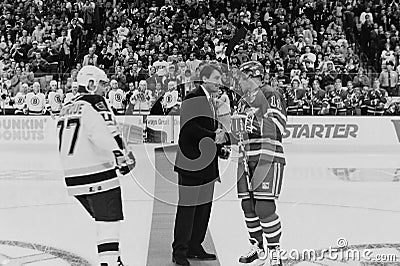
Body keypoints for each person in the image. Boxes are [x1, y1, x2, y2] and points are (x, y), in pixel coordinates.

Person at [57, 65, 135, 266]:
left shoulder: (67, 106)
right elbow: (106, 131)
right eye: (101, 83)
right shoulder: (95, 101)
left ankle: (113, 260)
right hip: (97, 173)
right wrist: (123, 155)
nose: (104, 88)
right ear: (90, 84)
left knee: (103, 221)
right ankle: (109, 262)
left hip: (73, 176)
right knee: (108, 224)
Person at [172, 64, 229, 266]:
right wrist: (214, 136)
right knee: (188, 208)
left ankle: (195, 245)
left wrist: (221, 145)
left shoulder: (212, 101)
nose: (220, 82)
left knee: (204, 208)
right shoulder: (192, 97)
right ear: (205, 79)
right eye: (216, 78)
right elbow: (189, 127)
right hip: (191, 163)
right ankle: (180, 250)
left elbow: (211, 129)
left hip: (207, 164)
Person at [233, 61, 286, 266]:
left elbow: (278, 125)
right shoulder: (242, 101)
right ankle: (258, 248)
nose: (240, 82)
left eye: (243, 77)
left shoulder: (270, 93)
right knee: (248, 205)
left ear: (253, 76)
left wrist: (249, 123)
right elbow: (238, 132)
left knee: (264, 207)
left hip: (267, 156)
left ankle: (275, 253)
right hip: (245, 157)